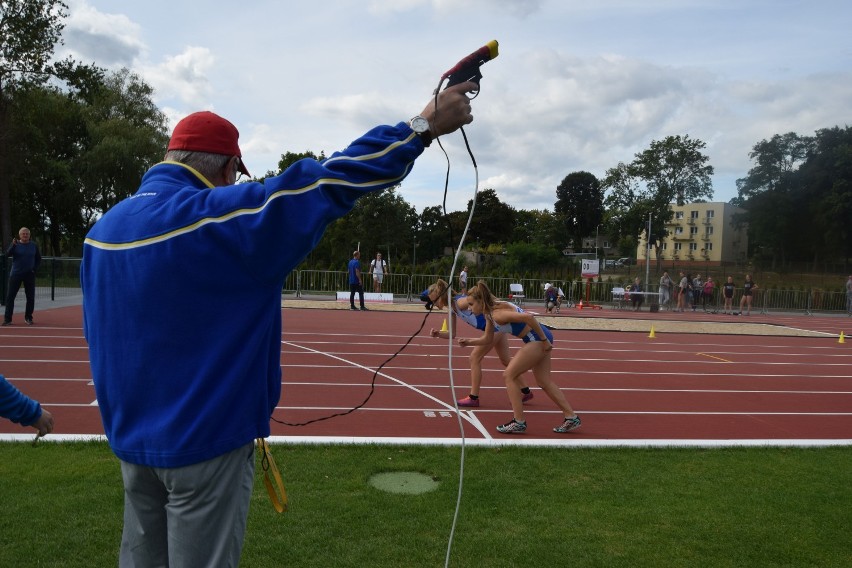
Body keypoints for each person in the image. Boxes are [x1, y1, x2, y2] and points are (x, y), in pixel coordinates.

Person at [80, 82, 475, 567]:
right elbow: (330, 181)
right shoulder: (219, 219)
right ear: (227, 169)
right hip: (205, 443)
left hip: (129, 442)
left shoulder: (103, 231)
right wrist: (423, 126)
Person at [462, 280, 581, 435]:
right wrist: (468, 342)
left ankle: (519, 422)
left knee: (509, 375)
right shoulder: (490, 314)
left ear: (481, 301)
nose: (469, 309)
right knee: (544, 381)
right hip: (539, 337)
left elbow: (529, 318)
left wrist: (544, 341)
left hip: (537, 338)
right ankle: (571, 417)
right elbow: (488, 339)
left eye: (471, 305)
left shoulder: (497, 313)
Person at [423, 278, 533, 407]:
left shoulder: (460, 302)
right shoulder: (452, 309)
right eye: (432, 301)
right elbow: (452, 334)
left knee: (474, 358)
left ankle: (473, 397)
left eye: (435, 300)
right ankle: (526, 391)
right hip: (495, 328)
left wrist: (505, 308)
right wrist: (438, 334)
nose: (434, 303)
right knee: (505, 360)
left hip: (495, 327)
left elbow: (486, 300)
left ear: (442, 296)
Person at [3, 227, 41, 326]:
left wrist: (34, 269)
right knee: (10, 297)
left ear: (29, 235)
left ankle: (28, 318)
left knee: (30, 298)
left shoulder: (34, 246)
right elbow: (7, 254)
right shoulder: (15, 244)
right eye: (23, 234)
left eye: (27, 234)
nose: (25, 235)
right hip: (16, 274)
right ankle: (8, 319)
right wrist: (12, 245)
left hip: (29, 275)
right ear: (19, 235)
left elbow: (38, 259)